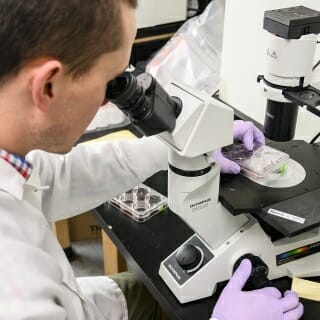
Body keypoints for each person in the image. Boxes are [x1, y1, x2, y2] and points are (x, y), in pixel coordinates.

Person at [0, 0, 303, 320]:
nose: (111, 100)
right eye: (110, 82)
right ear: (47, 85)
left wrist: (185, 145)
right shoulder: (19, 293)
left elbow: (53, 178)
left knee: (152, 290)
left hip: (81, 300)